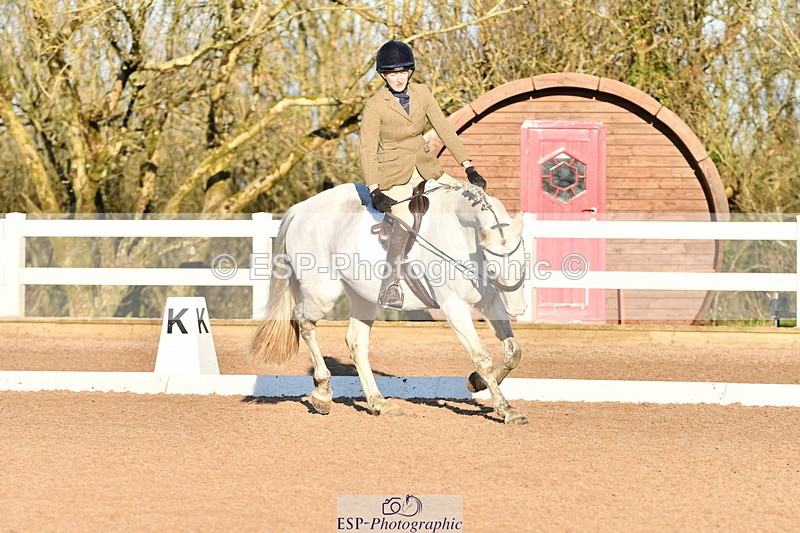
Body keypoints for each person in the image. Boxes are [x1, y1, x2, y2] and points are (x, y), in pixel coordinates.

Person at [360, 40, 487, 309]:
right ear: (383, 75)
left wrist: (468, 167)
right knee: (406, 219)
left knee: (470, 197)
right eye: (392, 73)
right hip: (394, 174)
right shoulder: (375, 105)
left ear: (410, 72)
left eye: (403, 72)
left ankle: (485, 267)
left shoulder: (423, 93)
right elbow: (367, 149)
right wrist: (374, 189)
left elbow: (445, 130)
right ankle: (390, 284)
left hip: (426, 167)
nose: (398, 78)